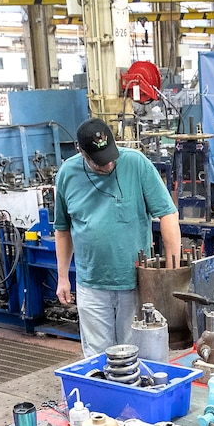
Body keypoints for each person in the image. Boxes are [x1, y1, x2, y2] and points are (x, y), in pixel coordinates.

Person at [52, 117, 181, 357]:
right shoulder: (67, 174)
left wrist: (172, 272)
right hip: (91, 285)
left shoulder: (135, 163)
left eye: (111, 157)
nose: (109, 165)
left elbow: (168, 214)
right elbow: (63, 229)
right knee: (99, 359)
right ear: (81, 152)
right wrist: (62, 277)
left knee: (140, 355)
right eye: (100, 162)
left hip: (134, 283)